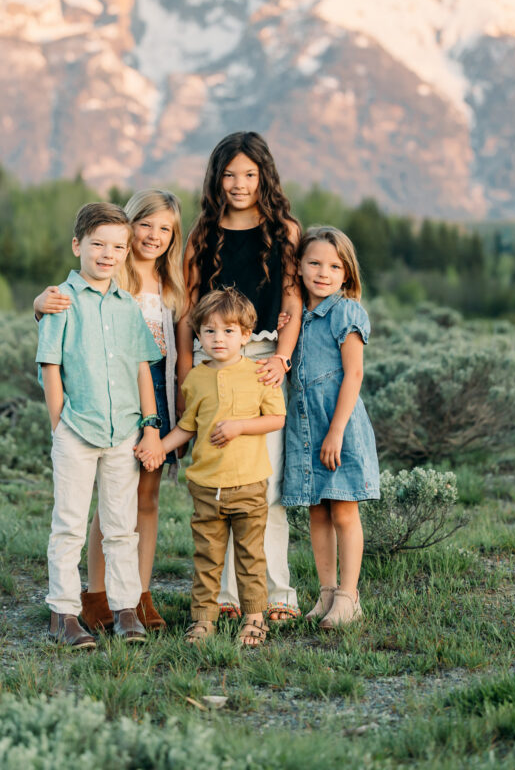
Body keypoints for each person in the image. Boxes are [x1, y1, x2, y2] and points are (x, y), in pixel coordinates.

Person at [34, 190, 185, 633]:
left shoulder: (150, 294)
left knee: (133, 512)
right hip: (85, 415)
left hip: (137, 412)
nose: (110, 253)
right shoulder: (83, 288)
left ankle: (131, 601)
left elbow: (154, 363)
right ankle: (79, 605)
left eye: (116, 247)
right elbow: (53, 355)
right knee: (84, 516)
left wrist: (156, 419)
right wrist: (59, 424)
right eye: (99, 244)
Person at [177, 131, 303, 621]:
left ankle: (276, 594)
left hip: (263, 360)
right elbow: (188, 308)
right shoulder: (203, 234)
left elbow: (292, 299)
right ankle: (227, 598)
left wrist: (282, 358)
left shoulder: (284, 230)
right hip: (211, 365)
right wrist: (189, 375)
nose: (239, 183)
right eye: (229, 174)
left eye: (249, 174)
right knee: (220, 482)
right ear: (216, 178)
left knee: (263, 483)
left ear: (264, 176)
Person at [139, 288, 286, 646]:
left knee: (251, 557)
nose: (218, 339)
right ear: (199, 336)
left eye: (228, 331)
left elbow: (276, 419)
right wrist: (159, 446)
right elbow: (188, 426)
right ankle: (204, 620)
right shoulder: (196, 379)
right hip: (206, 487)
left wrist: (239, 426)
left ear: (246, 335)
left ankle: (254, 619)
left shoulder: (260, 373)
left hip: (249, 484)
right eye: (209, 331)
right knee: (207, 557)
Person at [282, 226, 380, 628]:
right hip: (304, 426)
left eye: (334, 266)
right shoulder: (296, 316)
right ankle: (325, 594)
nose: (324, 272)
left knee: (342, 510)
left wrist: (336, 430)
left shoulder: (346, 312)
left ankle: (348, 597)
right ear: (299, 267)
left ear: (347, 273)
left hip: (337, 424)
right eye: (315, 263)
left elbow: (354, 375)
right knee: (317, 512)